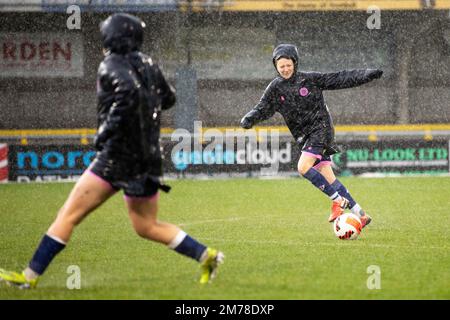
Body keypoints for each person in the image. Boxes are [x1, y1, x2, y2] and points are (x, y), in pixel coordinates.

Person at [0, 13, 223, 289]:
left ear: (112, 36)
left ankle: (29, 277)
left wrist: (106, 130)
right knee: (146, 226)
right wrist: (144, 112)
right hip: (146, 160)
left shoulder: (111, 63)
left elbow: (129, 93)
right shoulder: (149, 63)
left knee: (68, 215)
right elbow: (169, 98)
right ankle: (206, 255)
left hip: (116, 157)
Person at [240, 43, 383, 227]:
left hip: (321, 129)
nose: (285, 69)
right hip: (304, 138)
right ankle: (361, 215)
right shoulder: (275, 88)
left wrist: (366, 74)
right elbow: (263, 108)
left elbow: (340, 78)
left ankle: (338, 200)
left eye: (288, 65)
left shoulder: (310, 80)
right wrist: (250, 118)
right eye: (281, 66)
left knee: (303, 167)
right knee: (328, 177)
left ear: (295, 63)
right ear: (275, 66)